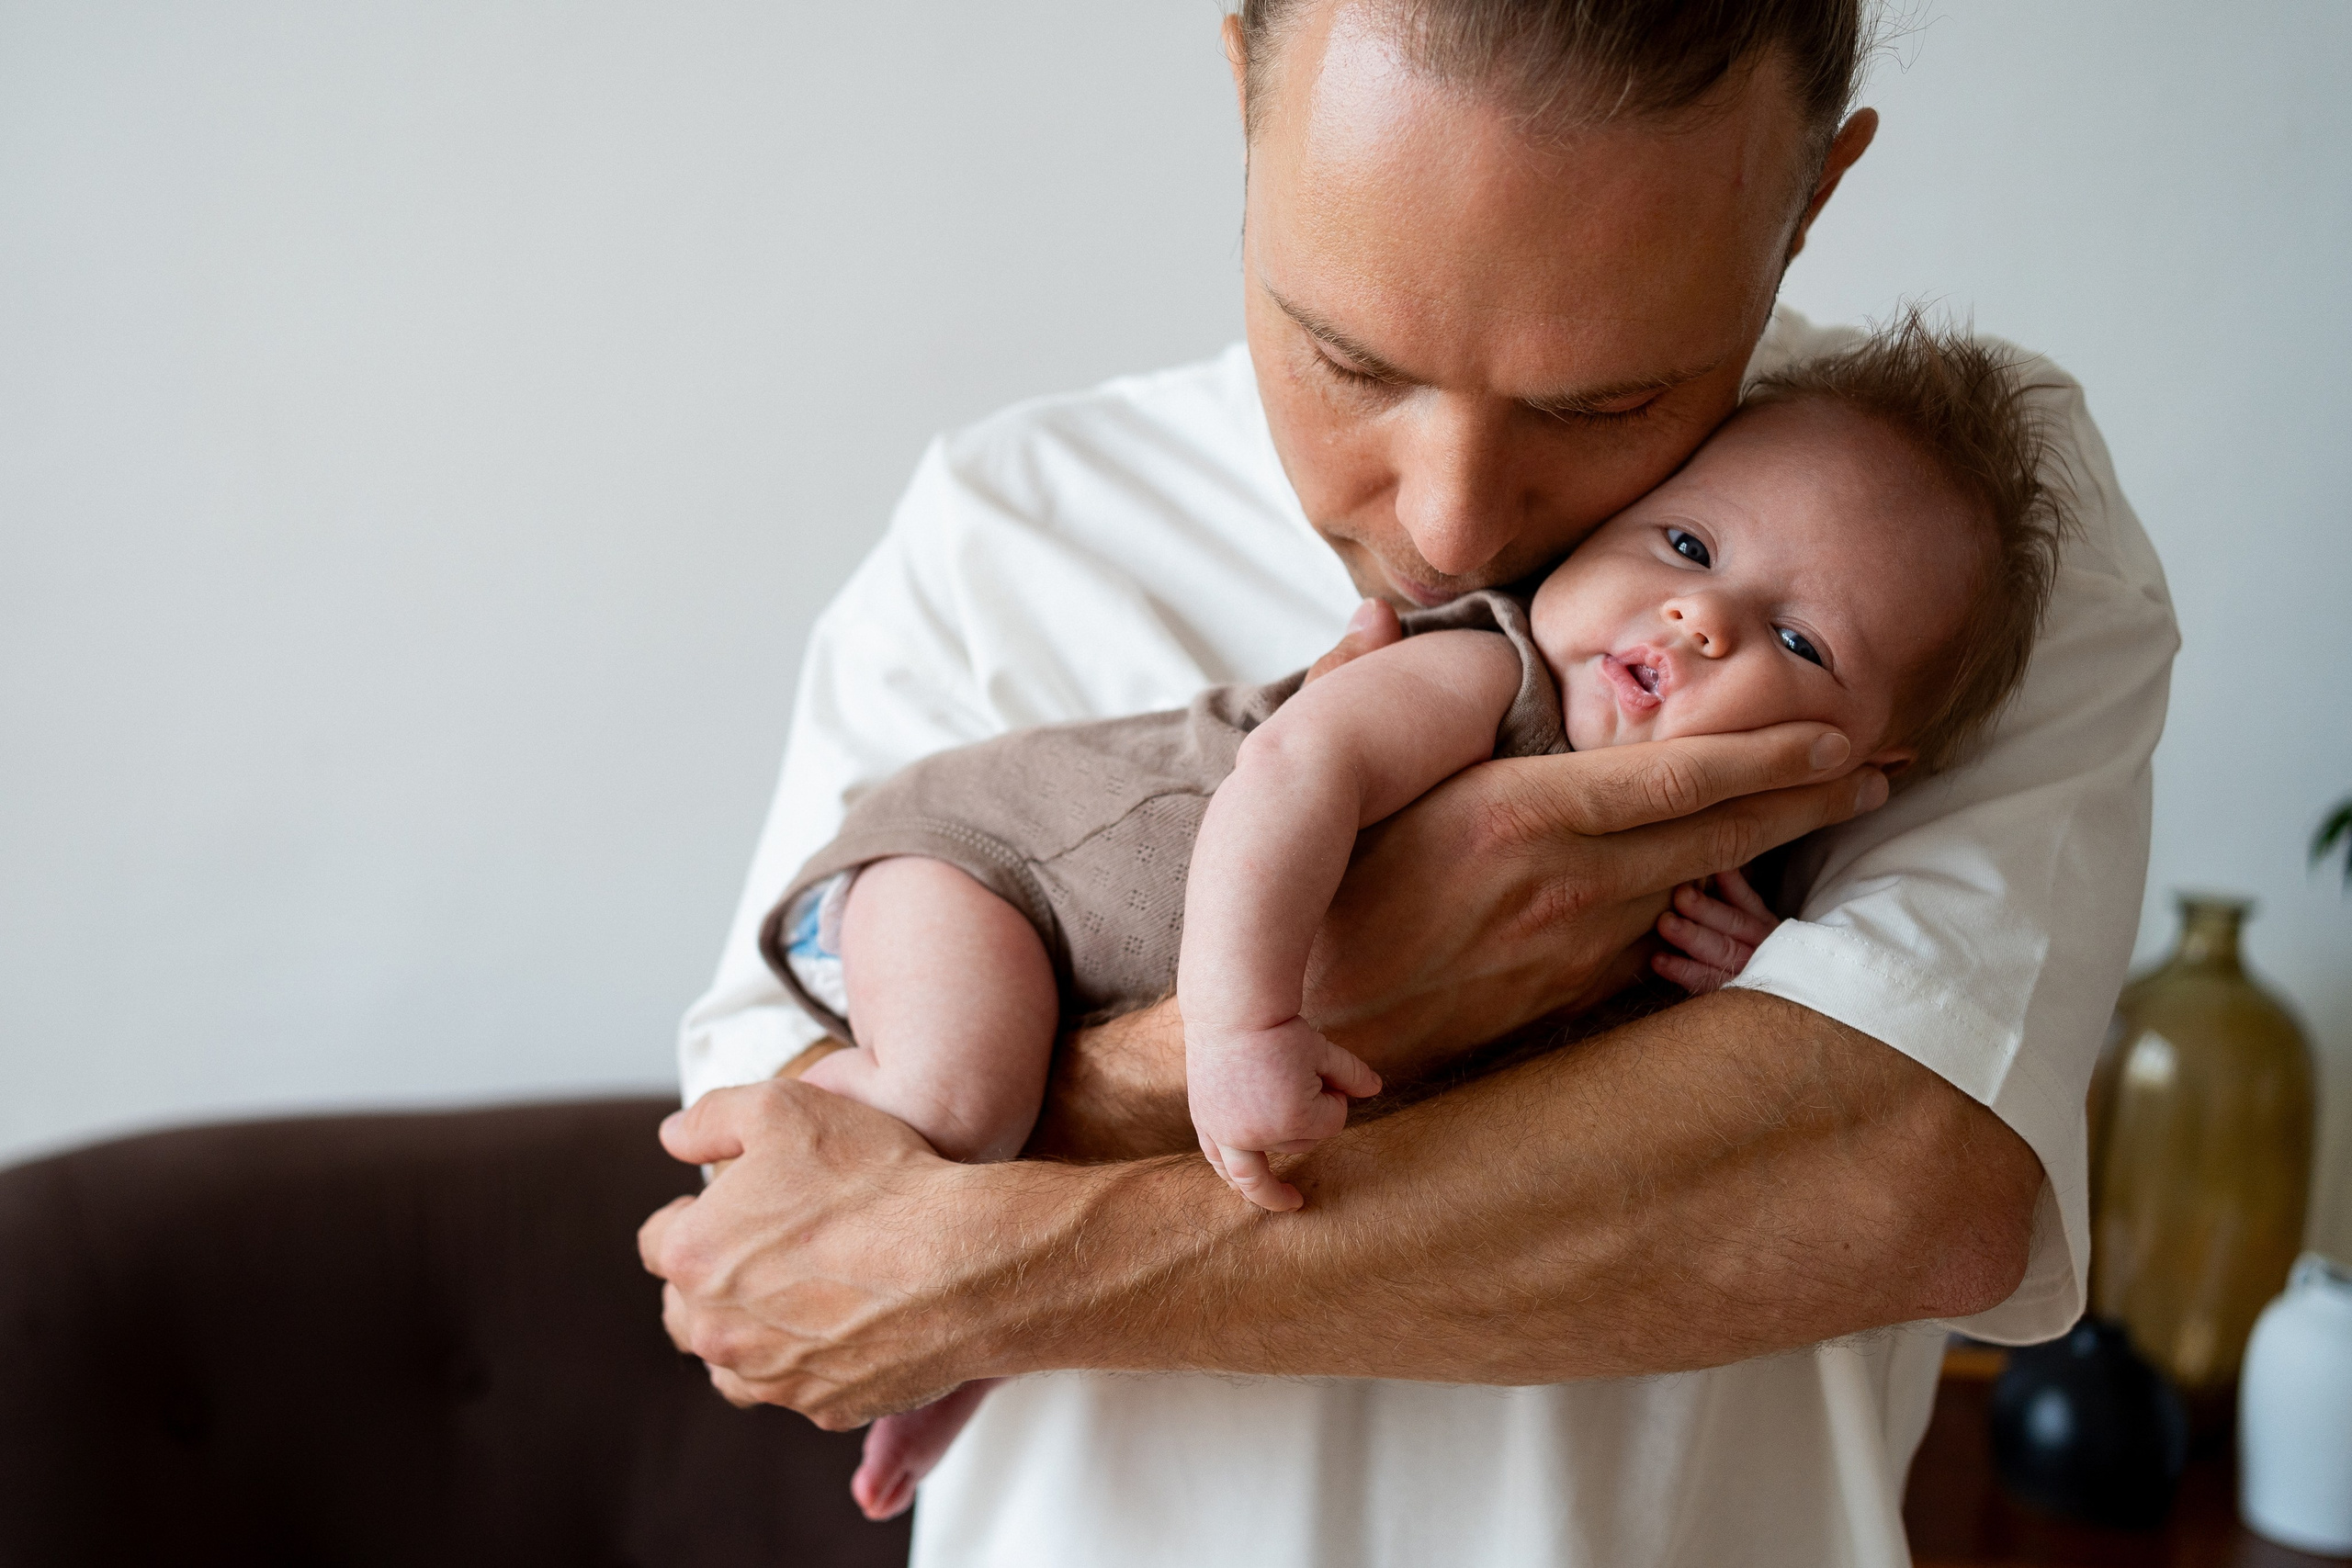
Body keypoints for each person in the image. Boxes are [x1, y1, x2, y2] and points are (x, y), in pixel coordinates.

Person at [642, 2, 2178, 1562]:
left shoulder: (1947, 532)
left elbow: (1899, 1189)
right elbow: (781, 1251)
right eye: (1348, 361)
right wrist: (1306, 1016)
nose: (1449, 532)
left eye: (1604, 406)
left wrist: (980, 1260)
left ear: (1813, 198)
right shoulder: (999, 530)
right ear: (1243, 88)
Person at [765, 318, 2068, 1520]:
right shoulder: (1491, 674)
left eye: (1799, 642)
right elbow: (1291, 777)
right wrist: (1241, 1028)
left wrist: (1764, 964)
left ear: (1873, 761)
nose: (1701, 618)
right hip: (983, 875)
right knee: (960, 1106)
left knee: (992, 1178)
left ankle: (963, 1352)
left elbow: (1780, 1091)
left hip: (1060, 956)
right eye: (1684, 546)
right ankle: (813, 1170)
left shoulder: (1748, 869)